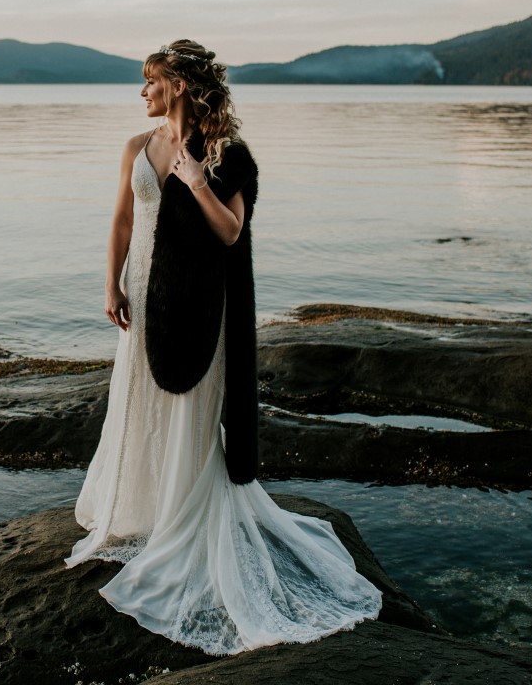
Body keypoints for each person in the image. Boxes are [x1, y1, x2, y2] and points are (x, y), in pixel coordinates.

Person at [65, 40, 382, 655]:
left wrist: (194, 181)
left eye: (151, 82)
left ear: (179, 84)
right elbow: (125, 221)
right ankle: (143, 506)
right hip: (143, 289)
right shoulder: (136, 147)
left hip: (198, 298)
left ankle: (183, 517)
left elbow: (231, 230)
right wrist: (110, 281)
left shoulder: (224, 153)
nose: (143, 93)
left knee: (189, 406)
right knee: (140, 398)